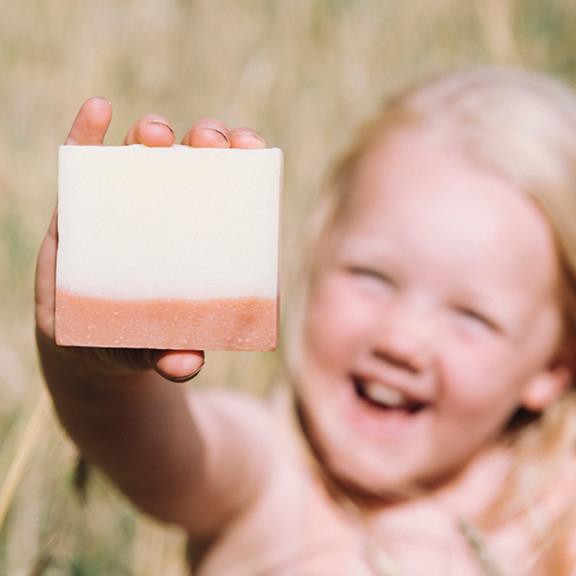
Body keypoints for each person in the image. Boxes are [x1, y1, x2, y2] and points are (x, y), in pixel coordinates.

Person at [35, 67, 576, 575]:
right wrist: (96, 353)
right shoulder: (268, 477)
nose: (401, 340)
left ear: (553, 368)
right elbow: (142, 442)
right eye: (372, 276)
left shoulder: (551, 512)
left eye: (471, 317)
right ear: (311, 259)